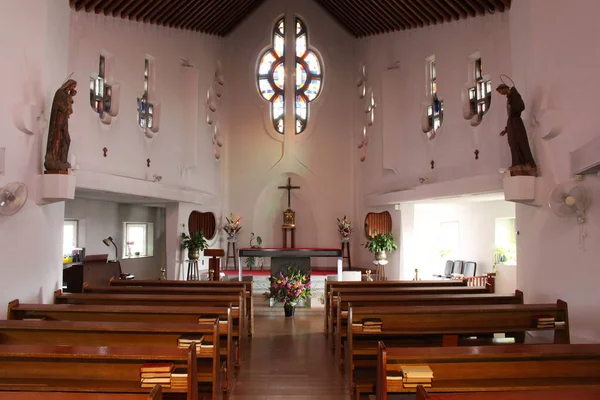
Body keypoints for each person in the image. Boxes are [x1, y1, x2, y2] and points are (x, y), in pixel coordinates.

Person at [496, 83, 537, 176]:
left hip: (516, 123)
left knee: (520, 142)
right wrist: (506, 129)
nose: (501, 93)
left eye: (501, 91)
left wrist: (513, 104)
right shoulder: (509, 97)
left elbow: (521, 107)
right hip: (511, 124)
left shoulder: (514, 94)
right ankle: (517, 164)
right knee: (513, 144)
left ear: (504, 88)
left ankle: (526, 164)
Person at [44, 79, 77, 173]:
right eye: (73, 86)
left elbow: (69, 104)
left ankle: (62, 160)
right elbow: (58, 105)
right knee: (57, 138)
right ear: (68, 85)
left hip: (64, 119)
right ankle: (55, 158)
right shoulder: (59, 93)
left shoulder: (66, 95)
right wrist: (66, 108)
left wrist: (71, 95)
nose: (73, 88)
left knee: (66, 139)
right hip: (59, 119)